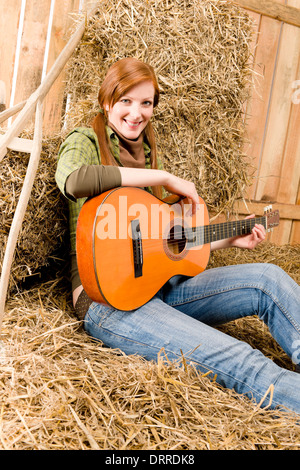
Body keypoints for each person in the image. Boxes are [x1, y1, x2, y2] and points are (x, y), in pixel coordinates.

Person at [56, 57, 300, 415]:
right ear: (107, 101)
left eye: (146, 103)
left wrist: (230, 238)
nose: (136, 113)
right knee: (242, 358)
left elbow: (161, 247)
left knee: (268, 278)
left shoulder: (146, 149)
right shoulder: (85, 139)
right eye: (125, 100)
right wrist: (164, 179)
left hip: (158, 287)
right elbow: (73, 180)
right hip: (109, 303)